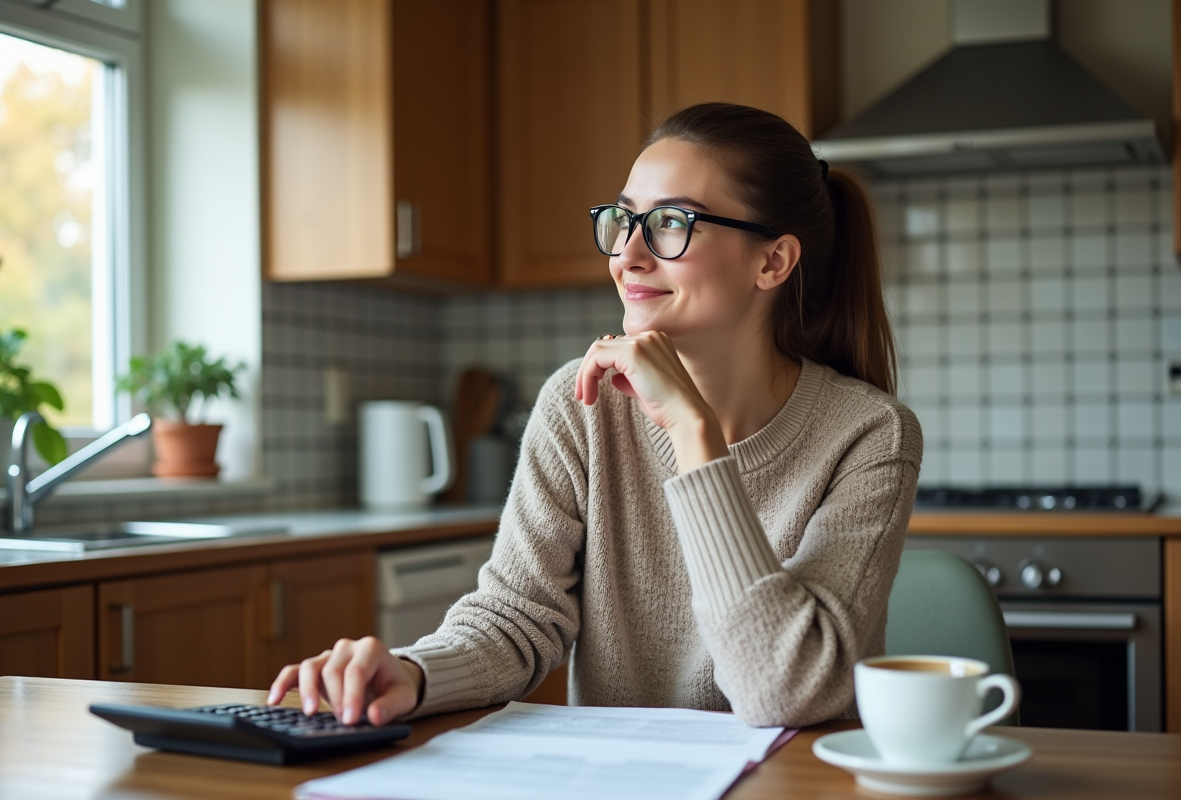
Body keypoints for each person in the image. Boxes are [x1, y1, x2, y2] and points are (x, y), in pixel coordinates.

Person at [267, 102, 922, 729]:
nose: (626, 255)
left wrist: (695, 437)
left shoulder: (870, 435)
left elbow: (787, 690)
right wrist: (414, 672)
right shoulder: (578, 407)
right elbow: (517, 617)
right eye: (624, 219)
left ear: (772, 260)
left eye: (671, 223)